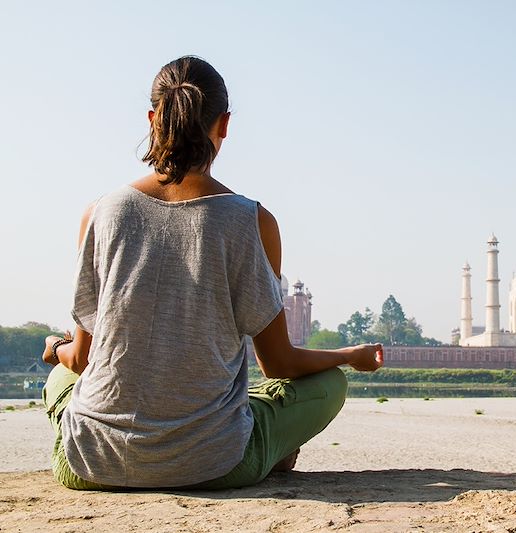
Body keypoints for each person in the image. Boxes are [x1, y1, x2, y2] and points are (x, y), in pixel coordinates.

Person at [40, 56, 383, 490]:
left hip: (90, 464)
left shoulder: (100, 213)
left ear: (152, 118)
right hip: (216, 464)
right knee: (328, 384)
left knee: (60, 376)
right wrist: (349, 355)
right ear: (224, 124)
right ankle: (271, 446)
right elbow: (278, 363)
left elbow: (84, 358)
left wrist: (54, 347)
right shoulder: (251, 221)